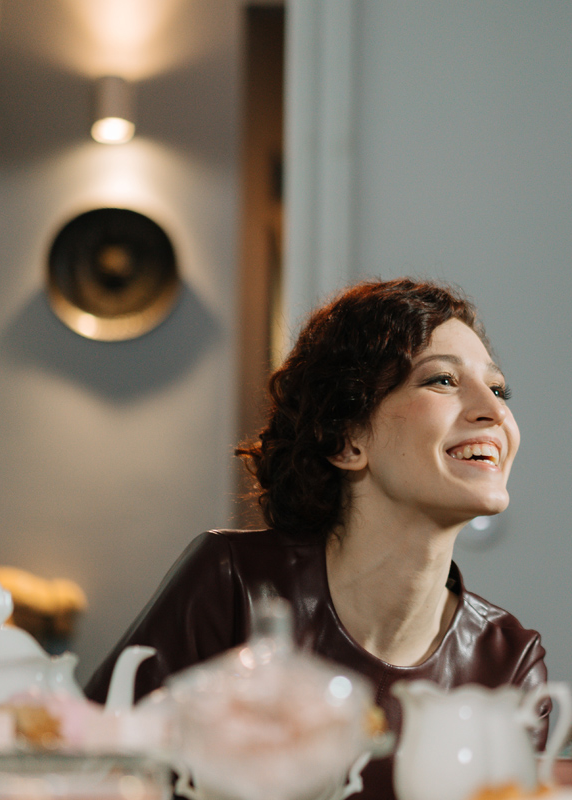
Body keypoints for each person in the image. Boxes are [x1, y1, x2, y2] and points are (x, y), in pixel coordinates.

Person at [85, 278, 548, 800]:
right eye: (442, 380)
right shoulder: (233, 583)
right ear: (345, 439)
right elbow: (80, 772)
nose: (495, 410)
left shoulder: (508, 660)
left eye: (499, 388)